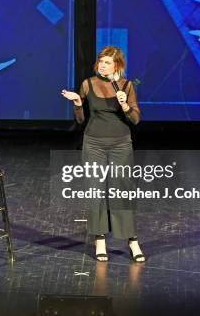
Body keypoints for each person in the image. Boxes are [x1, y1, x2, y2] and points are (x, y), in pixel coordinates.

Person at [61, 46, 145, 262]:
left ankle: (132, 240)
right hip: (94, 144)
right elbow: (80, 120)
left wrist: (125, 105)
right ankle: (99, 239)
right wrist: (78, 104)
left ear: (116, 66)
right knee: (95, 191)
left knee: (122, 192)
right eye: (100, 62)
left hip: (121, 145)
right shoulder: (88, 84)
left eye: (107, 62)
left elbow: (135, 119)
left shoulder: (125, 86)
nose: (102, 65)